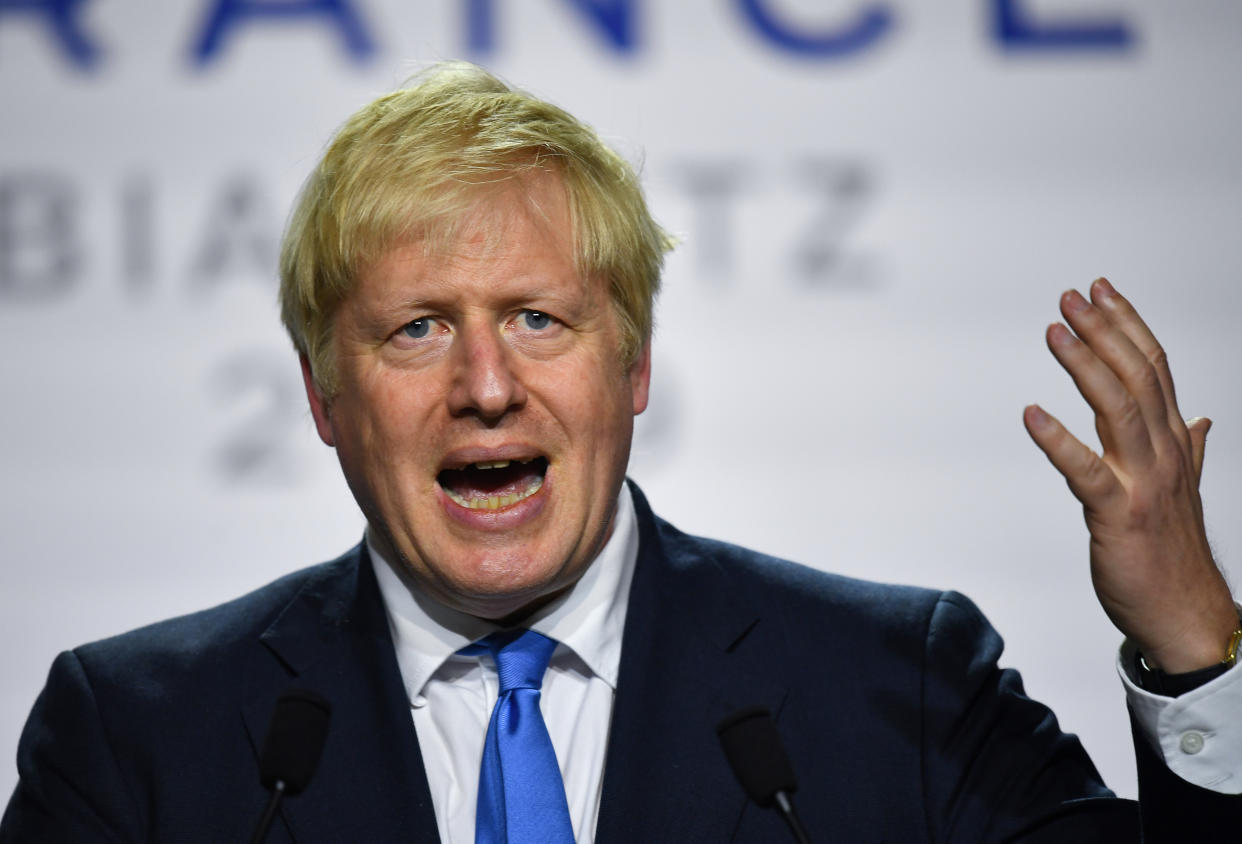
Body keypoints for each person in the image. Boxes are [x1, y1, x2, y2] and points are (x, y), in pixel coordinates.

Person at [2, 61, 1240, 843]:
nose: (486, 388)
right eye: (418, 328)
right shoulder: (136, 740)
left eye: (540, 319)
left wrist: (1197, 653)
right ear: (325, 395)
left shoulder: (897, 691)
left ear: (635, 368)